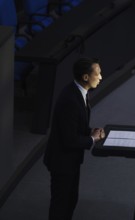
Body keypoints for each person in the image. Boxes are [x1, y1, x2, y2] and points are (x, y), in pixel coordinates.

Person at [43, 57, 105, 220]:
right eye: (97, 73)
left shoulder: (79, 92)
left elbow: (75, 125)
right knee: (61, 204)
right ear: (85, 77)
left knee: (70, 200)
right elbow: (69, 139)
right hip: (62, 161)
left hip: (71, 160)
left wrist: (91, 131)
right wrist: (92, 139)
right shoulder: (70, 100)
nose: (100, 77)